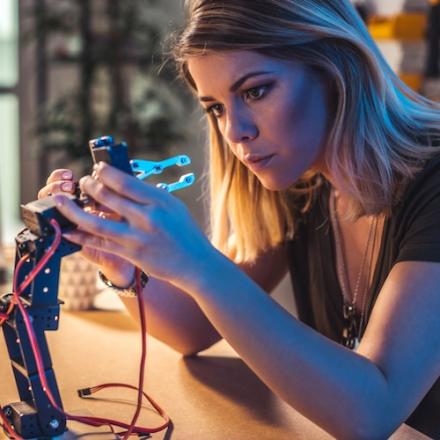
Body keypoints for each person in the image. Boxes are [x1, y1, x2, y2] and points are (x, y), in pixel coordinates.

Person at [38, 1, 440, 438]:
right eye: (215, 108)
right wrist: (118, 259)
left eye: (255, 91)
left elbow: (372, 412)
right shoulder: (306, 183)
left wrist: (197, 262)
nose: (234, 132)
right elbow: (193, 327)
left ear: (333, 70)